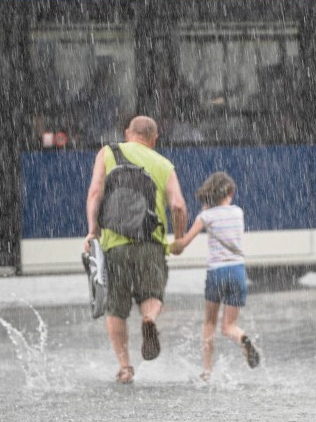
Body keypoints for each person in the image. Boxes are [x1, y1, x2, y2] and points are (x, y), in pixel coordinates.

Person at [84, 116, 188, 384]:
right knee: (151, 294)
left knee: (115, 308)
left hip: (114, 244)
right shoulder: (164, 164)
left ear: (128, 133)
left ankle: (125, 367)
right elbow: (177, 205)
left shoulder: (109, 152)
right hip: (151, 242)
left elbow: (95, 192)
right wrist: (178, 237)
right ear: (154, 139)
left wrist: (92, 230)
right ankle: (149, 319)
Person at [169, 171, 259, 382]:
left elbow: (183, 243)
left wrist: (172, 245)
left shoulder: (205, 217)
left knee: (209, 322)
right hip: (237, 271)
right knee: (228, 326)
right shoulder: (238, 212)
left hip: (216, 273)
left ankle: (207, 371)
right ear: (229, 192)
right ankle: (241, 337)